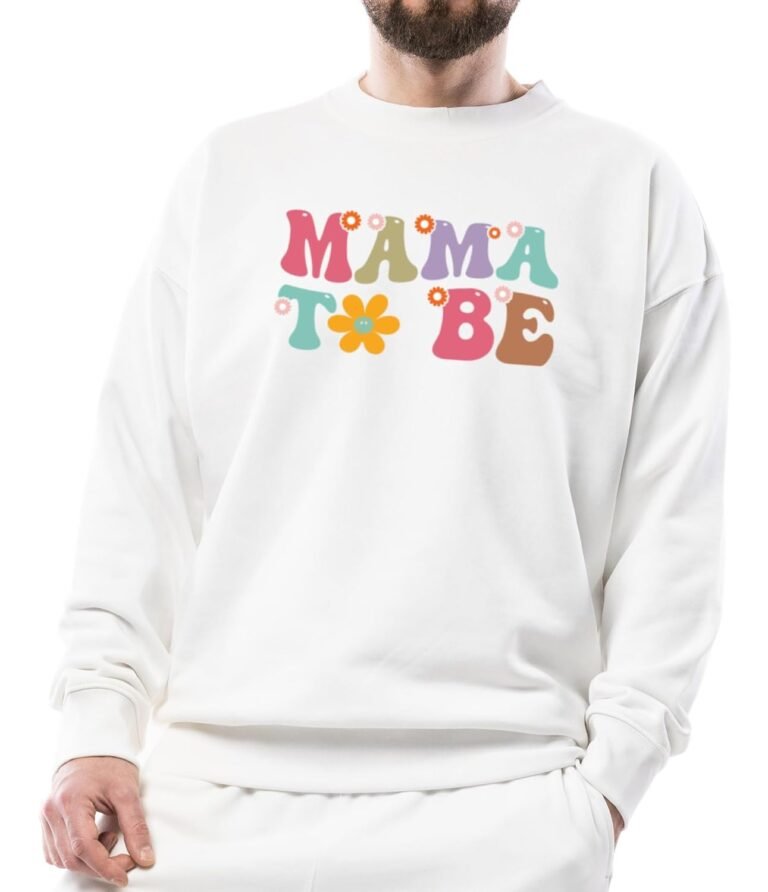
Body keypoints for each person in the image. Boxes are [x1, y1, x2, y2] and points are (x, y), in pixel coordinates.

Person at [41, 1, 730, 889]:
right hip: (199, 817)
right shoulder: (234, 173)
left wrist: (610, 788)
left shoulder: (630, 189)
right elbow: (140, 482)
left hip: (509, 813)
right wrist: (95, 729)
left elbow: (673, 522)